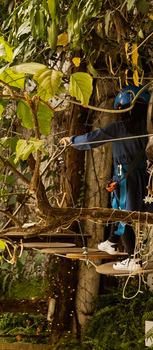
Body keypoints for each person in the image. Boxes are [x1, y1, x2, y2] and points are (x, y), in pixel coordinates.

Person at [60, 86, 150, 270]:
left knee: (123, 213)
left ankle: (134, 260)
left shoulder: (119, 127)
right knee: (122, 208)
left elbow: (93, 138)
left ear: (121, 108)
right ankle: (112, 242)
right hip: (148, 177)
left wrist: (72, 140)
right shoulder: (149, 128)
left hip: (126, 177)